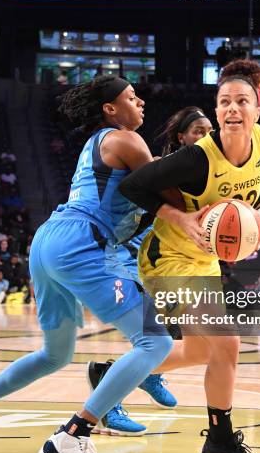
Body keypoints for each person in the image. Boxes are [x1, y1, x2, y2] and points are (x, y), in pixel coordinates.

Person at [0, 76, 173, 453]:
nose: (140, 101)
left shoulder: (100, 143)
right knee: (156, 342)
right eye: (130, 97)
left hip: (50, 240)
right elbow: (171, 197)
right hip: (81, 242)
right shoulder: (126, 139)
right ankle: (71, 438)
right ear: (110, 108)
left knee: (55, 355)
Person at [118, 59, 260, 453]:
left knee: (199, 351)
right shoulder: (195, 159)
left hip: (203, 259)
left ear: (257, 107)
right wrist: (183, 219)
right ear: (216, 108)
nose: (232, 109)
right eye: (224, 101)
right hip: (167, 258)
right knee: (226, 343)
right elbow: (132, 185)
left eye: (241, 101)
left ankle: (111, 376)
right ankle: (220, 446)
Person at [89, 106, 213, 435]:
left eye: (209, 131)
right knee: (155, 339)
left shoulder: (211, 170)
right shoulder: (160, 168)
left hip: (182, 259)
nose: (206, 137)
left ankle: (142, 374)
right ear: (180, 138)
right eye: (198, 131)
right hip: (143, 255)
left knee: (194, 345)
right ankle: (109, 399)